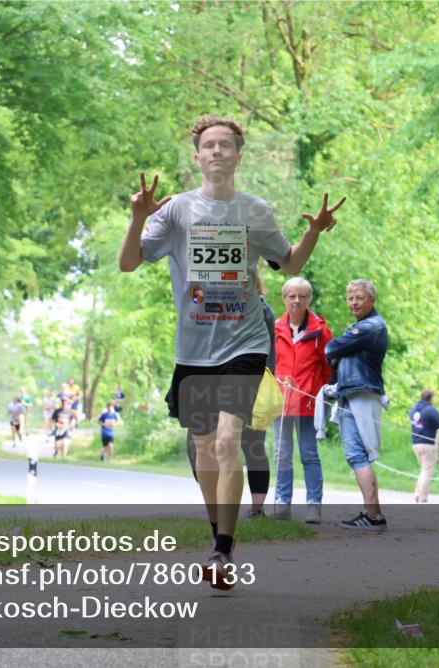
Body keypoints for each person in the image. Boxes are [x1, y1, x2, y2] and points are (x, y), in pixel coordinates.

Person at [119, 114, 344, 588]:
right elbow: (128, 263)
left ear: (239, 156)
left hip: (244, 342)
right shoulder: (177, 210)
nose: (217, 151)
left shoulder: (254, 210)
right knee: (203, 447)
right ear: (197, 156)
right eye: (209, 145)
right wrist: (139, 217)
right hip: (194, 349)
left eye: (226, 145)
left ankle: (222, 553)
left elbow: (289, 263)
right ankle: (219, 530)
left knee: (226, 442)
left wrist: (315, 231)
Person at [183, 265, 276, 520]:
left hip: (250, 383)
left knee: (253, 445)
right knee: (201, 444)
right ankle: (215, 503)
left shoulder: (263, 310)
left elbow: (268, 355)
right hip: (213, 384)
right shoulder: (217, 308)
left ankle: (257, 508)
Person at [325, 279, 389, 531]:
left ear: (371, 300)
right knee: (358, 454)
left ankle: (373, 517)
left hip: (361, 393)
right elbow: (336, 351)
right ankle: (372, 513)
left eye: (359, 298)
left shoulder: (372, 326)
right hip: (354, 392)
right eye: (350, 298)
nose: (354, 302)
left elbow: (332, 346)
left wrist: (338, 351)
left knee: (357, 454)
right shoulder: (362, 326)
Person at [272, 276, 333, 523]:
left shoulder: (321, 332)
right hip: (281, 403)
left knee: (309, 453)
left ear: (309, 299)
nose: (297, 300)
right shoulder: (274, 328)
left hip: (309, 403)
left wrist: (321, 392)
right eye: (292, 296)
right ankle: (282, 503)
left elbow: (329, 367)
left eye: (302, 296)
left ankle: (313, 505)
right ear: (284, 299)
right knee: (282, 453)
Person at [409, 389, 439, 504]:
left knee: (423, 470)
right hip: (428, 444)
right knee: (427, 471)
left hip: (415, 443)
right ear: (431, 398)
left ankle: (417, 494)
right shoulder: (430, 410)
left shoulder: (413, 410)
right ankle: (422, 497)